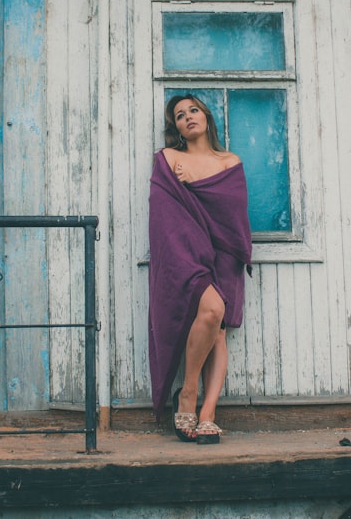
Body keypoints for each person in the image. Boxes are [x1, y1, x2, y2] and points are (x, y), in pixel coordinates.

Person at [147, 93, 252, 444]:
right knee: (211, 310)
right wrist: (181, 188)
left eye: (193, 110)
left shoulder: (228, 161)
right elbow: (165, 214)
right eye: (179, 115)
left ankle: (208, 413)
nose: (188, 117)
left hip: (226, 251)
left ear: (206, 117)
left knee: (218, 330)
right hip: (188, 252)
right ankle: (187, 393)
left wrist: (194, 188)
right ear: (175, 127)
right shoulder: (167, 159)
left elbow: (233, 211)